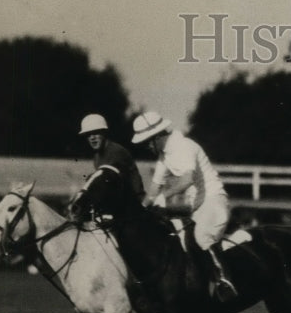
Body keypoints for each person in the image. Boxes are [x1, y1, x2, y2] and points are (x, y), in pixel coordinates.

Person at [131, 111, 238, 302]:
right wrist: (140, 209)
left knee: (201, 237)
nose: (147, 146)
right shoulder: (164, 157)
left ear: (157, 136)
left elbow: (187, 179)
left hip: (214, 201)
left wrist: (165, 196)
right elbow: (154, 188)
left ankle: (224, 282)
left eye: (147, 141)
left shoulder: (184, 147)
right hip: (197, 208)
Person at [78, 114, 146, 202]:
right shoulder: (97, 156)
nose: (92, 138)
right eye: (88, 135)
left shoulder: (116, 151)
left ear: (104, 133)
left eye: (95, 133)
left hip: (134, 202)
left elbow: (107, 182)